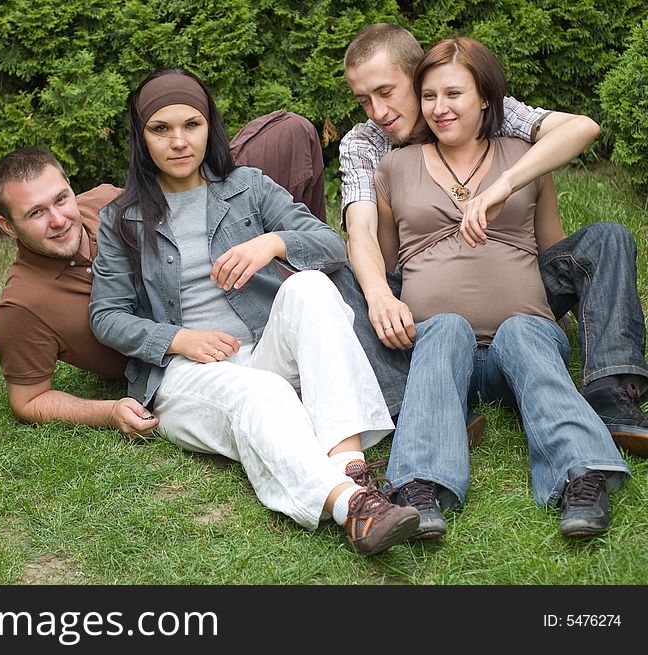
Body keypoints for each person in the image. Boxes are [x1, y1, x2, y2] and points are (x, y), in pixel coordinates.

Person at [88, 68, 421, 555]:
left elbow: (331, 244)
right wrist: (176, 340)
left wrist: (273, 242)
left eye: (192, 125)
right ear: (142, 139)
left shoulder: (247, 187)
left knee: (308, 287)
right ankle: (353, 505)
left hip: (263, 347)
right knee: (262, 392)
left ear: (210, 128)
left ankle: (348, 462)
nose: (179, 141)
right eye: (161, 129)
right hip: (185, 373)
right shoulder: (122, 217)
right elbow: (106, 315)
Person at [340, 23, 648, 457]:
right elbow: (362, 230)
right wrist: (378, 296)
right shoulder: (365, 144)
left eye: (386, 92)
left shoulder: (489, 114)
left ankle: (610, 390)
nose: (377, 111)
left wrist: (505, 185)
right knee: (341, 272)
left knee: (607, 239)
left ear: (418, 74)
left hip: (512, 271)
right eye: (363, 99)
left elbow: (580, 129)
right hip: (416, 289)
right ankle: (416, 400)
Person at [374, 37, 631, 539]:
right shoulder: (394, 168)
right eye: (429, 96)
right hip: (438, 354)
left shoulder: (523, 159)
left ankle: (582, 476)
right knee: (445, 328)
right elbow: (387, 268)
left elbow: (555, 252)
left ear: (486, 98)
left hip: (525, 342)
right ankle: (420, 485)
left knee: (523, 331)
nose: (440, 108)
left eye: (454, 94)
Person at [0, 111, 327, 437]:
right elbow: (28, 400)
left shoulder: (109, 204)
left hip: (236, 304)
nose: (58, 219)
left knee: (287, 133)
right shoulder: (21, 307)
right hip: (178, 368)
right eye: (36, 213)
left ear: (70, 187)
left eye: (61, 199)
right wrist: (108, 412)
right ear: (8, 226)